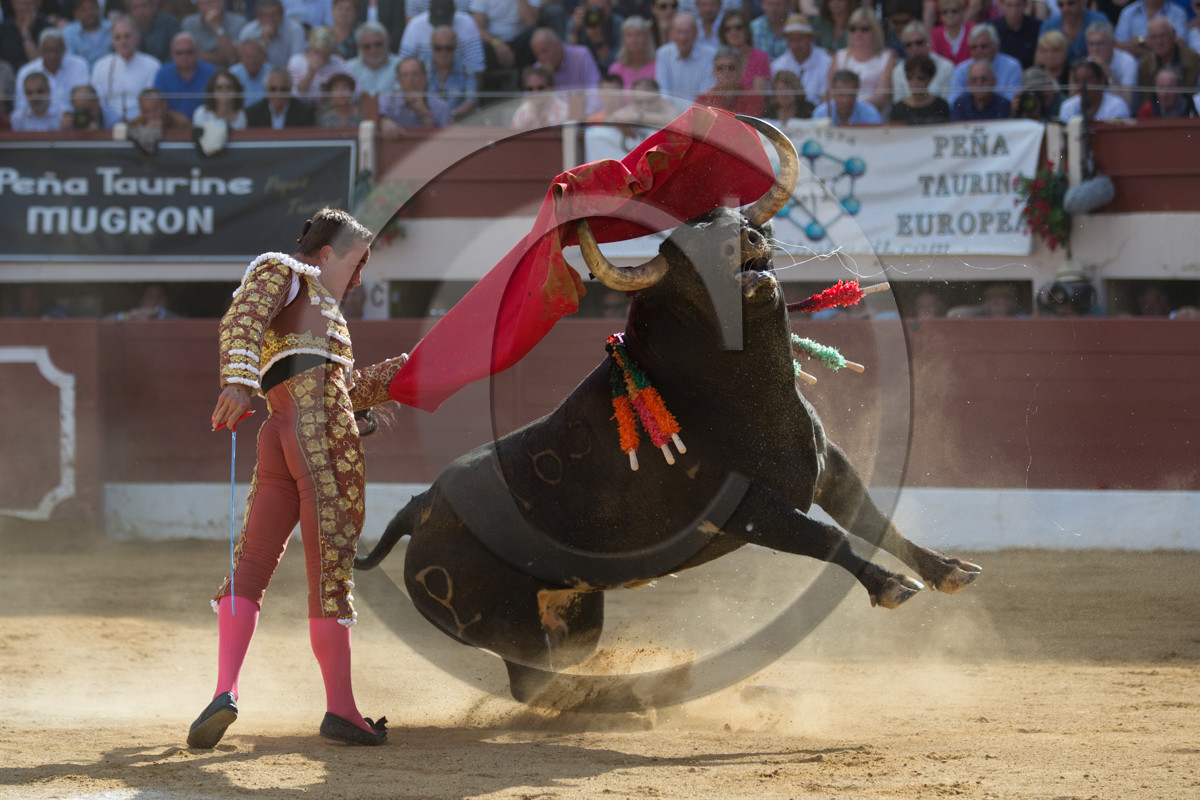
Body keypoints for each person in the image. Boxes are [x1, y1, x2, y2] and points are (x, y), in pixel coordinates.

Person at [188, 207, 408, 750]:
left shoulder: (318, 305)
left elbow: (335, 385)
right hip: (316, 438)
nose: (360, 275)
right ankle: (341, 709)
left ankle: (225, 692)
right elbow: (243, 319)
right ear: (328, 252)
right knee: (330, 571)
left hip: (281, 432)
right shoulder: (284, 271)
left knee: (253, 562)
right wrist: (237, 383)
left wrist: (404, 374)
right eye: (357, 261)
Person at [91, 15, 161, 126]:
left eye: (127, 36)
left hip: (142, 124)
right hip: (108, 126)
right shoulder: (101, 65)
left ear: (137, 37)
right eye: (118, 37)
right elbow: (98, 101)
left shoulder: (152, 64)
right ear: (112, 41)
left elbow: (152, 102)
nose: (123, 42)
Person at [400, 0, 485, 81]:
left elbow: (476, 68)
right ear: (429, 11)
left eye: (449, 48)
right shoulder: (415, 25)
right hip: (424, 87)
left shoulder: (467, 23)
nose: (440, 26)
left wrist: (472, 95)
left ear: (454, 13)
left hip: (459, 85)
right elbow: (403, 64)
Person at [830, 8, 895, 114]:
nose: (858, 33)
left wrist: (855, 110)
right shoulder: (840, 56)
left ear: (875, 31)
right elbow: (830, 91)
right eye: (853, 28)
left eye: (864, 29)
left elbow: (882, 96)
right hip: (842, 116)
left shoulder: (886, 58)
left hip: (873, 117)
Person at [14, 28, 90, 119]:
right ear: (40, 50)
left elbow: (85, 101)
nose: (53, 56)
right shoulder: (26, 71)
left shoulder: (79, 66)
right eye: (48, 50)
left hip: (72, 122)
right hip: (36, 123)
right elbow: (20, 106)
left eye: (57, 50)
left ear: (65, 50)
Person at [531, 26, 602, 117]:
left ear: (558, 44)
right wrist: (548, 79)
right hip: (552, 124)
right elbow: (530, 106)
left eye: (544, 51)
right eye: (537, 54)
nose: (541, 58)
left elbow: (595, 97)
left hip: (583, 120)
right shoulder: (538, 69)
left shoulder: (581, 56)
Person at [1134, 17, 1200, 112]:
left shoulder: (1194, 59)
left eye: (1162, 36)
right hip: (1158, 115)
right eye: (1154, 37)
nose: (1159, 42)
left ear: (1173, 34)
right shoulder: (1145, 65)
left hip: (1189, 112)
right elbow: (1147, 100)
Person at [948, 23, 1024, 104]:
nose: (979, 51)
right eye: (974, 47)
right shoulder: (961, 70)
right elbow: (953, 101)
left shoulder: (1012, 67)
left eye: (983, 46)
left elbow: (1012, 101)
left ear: (996, 47)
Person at [654, 13, 715, 109]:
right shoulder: (662, 54)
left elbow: (706, 92)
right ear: (671, 33)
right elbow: (663, 91)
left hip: (700, 112)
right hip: (671, 114)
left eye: (687, 32)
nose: (683, 38)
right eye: (679, 32)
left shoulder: (710, 54)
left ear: (696, 33)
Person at [378, 56, 453, 132]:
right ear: (398, 80)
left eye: (415, 74)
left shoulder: (442, 107)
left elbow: (445, 139)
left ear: (425, 76)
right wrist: (384, 121)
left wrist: (424, 112)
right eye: (405, 75)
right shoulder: (388, 100)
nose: (410, 80)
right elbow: (376, 118)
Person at [770, 14, 829, 107]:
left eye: (800, 39)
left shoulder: (827, 63)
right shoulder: (777, 66)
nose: (796, 44)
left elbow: (826, 99)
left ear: (810, 39)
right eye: (792, 39)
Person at [155, 32, 217, 118]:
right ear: (172, 55)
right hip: (172, 126)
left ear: (197, 53)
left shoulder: (211, 73)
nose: (184, 56)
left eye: (189, 52)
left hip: (205, 124)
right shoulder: (163, 75)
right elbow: (158, 106)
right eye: (179, 53)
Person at [891, 20, 954, 102]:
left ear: (929, 42)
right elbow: (899, 103)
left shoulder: (947, 67)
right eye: (908, 45)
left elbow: (948, 103)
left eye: (919, 43)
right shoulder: (898, 71)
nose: (914, 48)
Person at [425, 24, 478, 120]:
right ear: (431, 47)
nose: (443, 53)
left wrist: (452, 114)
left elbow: (471, 101)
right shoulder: (422, 69)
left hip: (457, 123)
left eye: (448, 48)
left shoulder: (466, 69)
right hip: (427, 121)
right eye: (438, 48)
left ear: (456, 48)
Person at [289, 25, 355, 101]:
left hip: (330, 109)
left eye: (325, 55)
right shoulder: (296, 62)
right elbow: (297, 95)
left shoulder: (337, 62)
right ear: (311, 48)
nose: (321, 58)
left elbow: (355, 89)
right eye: (317, 52)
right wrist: (310, 72)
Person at [239, 0, 309, 70]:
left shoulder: (295, 30)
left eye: (274, 15)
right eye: (265, 16)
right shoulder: (248, 31)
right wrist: (263, 43)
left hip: (287, 76)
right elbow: (244, 63)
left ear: (282, 15)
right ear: (257, 17)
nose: (270, 20)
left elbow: (298, 63)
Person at [694, 45, 763, 114]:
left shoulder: (753, 97)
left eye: (731, 68)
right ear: (713, 72)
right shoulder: (703, 100)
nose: (726, 72)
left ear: (741, 71)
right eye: (720, 68)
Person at [1086, 20, 1137, 108]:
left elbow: (1126, 103)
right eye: (1091, 44)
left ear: (1113, 44)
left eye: (1100, 43)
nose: (1095, 49)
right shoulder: (1087, 63)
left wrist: (1107, 71)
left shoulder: (1127, 61)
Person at [719, 9, 769, 98]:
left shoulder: (760, 57)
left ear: (746, 29)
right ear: (723, 34)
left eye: (738, 27)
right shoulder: (719, 58)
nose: (733, 32)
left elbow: (758, 97)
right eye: (728, 29)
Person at [1059, 57, 1130, 120]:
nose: (1081, 85)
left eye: (1087, 80)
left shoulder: (1117, 106)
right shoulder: (1067, 107)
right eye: (1077, 81)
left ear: (1101, 80)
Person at [1039, 0, 1108, 64]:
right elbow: (1040, 59)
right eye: (1061, 5)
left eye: (1071, 3)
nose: (1066, 9)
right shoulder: (1049, 26)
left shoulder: (1098, 21)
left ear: (1082, 2)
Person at [245, 66, 318, 126]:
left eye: (283, 89)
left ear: (290, 89)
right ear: (266, 89)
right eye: (273, 89)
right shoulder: (253, 113)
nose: (278, 94)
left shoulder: (305, 112)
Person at [181, 0, 245, 69]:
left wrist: (216, 26)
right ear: (198, 6)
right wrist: (220, 57)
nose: (209, 7)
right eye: (204, 3)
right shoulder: (188, 23)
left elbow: (232, 59)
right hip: (198, 72)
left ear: (223, 2)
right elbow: (189, 56)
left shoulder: (238, 22)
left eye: (212, 2)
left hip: (228, 73)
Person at [1114, 0, 1188, 59]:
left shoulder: (1178, 13)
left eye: (1160, 36)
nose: (1157, 41)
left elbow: (1180, 43)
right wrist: (1143, 42)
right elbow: (1119, 45)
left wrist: (1137, 42)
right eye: (1154, 38)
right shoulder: (1128, 12)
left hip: (1168, 67)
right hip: (1136, 69)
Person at [890, 52, 952, 122]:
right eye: (910, 77)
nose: (915, 81)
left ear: (930, 78)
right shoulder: (898, 108)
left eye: (920, 77)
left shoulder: (941, 105)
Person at [567, 0, 623, 73]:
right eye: (593, 8)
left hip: (607, 75)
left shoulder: (618, 24)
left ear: (610, 7)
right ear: (585, 8)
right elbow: (568, 58)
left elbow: (614, 65)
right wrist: (575, 31)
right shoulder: (578, 21)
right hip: (581, 71)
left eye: (601, 9)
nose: (596, 13)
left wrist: (598, 42)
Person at [347, 20, 399, 95]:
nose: (373, 50)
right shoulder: (349, 69)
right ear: (359, 47)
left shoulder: (400, 66)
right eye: (367, 46)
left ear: (387, 42)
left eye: (378, 44)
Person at [813, 68, 884, 124]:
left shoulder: (870, 114)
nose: (846, 100)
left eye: (851, 95)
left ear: (857, 93)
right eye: (841, 95)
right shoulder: (820, 113)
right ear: (833, 94)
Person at [1, 0, 53, 71]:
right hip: (10, 76)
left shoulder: (46, 28)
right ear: (14, 4)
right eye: (23, 4)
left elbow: (40, 63)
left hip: (37, 76)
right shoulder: (4, 29)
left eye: (29, 4)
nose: (26, 8)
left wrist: (26, 33)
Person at [608, 15, 656, 90]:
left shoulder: (657, 67)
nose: (634, 40)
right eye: (629, 35)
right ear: (623, 39)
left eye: (638, 34)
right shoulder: (616, 69)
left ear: (646, 38)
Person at [63, 0, 112, 69]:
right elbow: (69, 61)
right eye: (84, 10)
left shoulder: (112, 28)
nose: (89, 13)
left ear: (99, 9)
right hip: (80, 76)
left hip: (109, 74)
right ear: (76, 13)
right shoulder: (69, 33)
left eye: (92, 8)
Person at [128, 0, 181, 65]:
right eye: (135, 7)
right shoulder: (127, 27)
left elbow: (177, 52)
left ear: (153, 6)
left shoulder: (169, 23)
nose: (140, 11)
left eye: (143, 6)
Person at [996, 0, 1041, 68]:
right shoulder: (993, 29)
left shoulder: (1037, 27)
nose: (1014, 11)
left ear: (1025, 5)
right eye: (1009, 5)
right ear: (1001, 5)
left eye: (1018, 5)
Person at [230, 35, 270, 106]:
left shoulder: (272, 74)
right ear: (241, 58)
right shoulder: (233, 74)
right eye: (248, 57)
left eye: (256, 56)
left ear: (264, 56)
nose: (252, 61)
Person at [128, 85, 192, 128]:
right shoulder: (135, 125)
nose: (151, 115)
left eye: (155, 109)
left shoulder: (181, 123)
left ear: (164, 106)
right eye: (145, 111)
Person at [931, 0, 974, 64]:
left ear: (962, 12)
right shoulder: (935, 34)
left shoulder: (973, 30)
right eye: (945, 12)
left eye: (954, 11)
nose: (949, 15)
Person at [109, 283, 182, 320]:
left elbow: (185, 321)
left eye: (160, 297)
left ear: (167, 301)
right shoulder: (134, 316)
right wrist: (129, 316)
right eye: (149, 297)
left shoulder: (172, 318)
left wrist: (159, 312)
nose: (155, 301)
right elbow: (106, 319)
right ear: (141, 301)